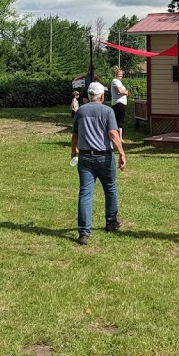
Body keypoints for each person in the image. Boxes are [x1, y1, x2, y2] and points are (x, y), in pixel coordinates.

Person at [71, 81, 126, 246]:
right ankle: (111, 221)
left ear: (88, 95)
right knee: (110, 188)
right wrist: (122, 153)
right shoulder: (107, 111)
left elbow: (74, 135)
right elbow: (113, 134)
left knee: (85, 193)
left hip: (85, 157)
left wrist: (73, 151)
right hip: (104, 157)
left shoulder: (80, 111)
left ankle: (83, 232)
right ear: (102, 95)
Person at [110, 67, 128, 137]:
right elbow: (120, 91)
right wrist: (126, 92)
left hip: (121, 102)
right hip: (118, 103)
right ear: (116, 74)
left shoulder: (118, 82)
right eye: (119, 75)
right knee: (119, 120)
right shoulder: (116, 81)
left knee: (120, 119)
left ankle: (118, 136)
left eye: (121, 74)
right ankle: (119, 137)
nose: (121, 76)